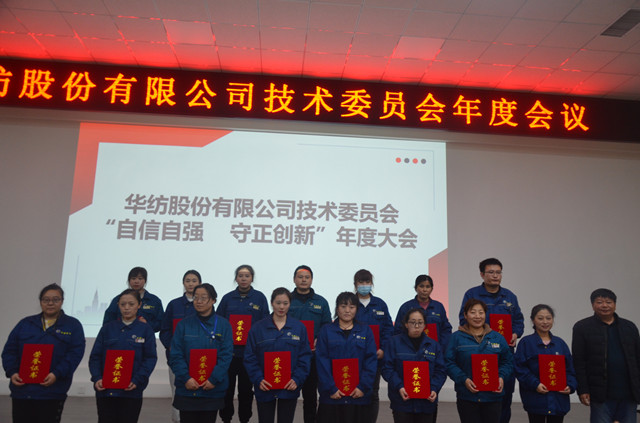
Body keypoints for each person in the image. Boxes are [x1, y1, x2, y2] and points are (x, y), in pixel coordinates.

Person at [2, 283, 85, 423]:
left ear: (62, 301)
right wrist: (12, 372)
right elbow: (9, 351)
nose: (50, 303)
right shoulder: (25, 323)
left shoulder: (73, 325)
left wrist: (56, 374)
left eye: (55, 299)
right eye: (46, 300)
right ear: (40, 301)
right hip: (22, 390)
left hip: (52, 391)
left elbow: (75, 354)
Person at [458, 258, 523, 423]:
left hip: (503, 354)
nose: (495, 276)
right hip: (478, 354)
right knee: (476, 397)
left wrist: (515, 333)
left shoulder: (510, 296)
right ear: (482, 274)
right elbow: (463, 319)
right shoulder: (472, 294)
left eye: (498, 272)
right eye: (491, 272)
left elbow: (518, 321)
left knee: (503, 396)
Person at [89, 288, 158, 423]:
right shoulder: (107, 328)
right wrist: (97, 378)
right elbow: (95, 356)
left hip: (132, 390)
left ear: (139, 305)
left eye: (131, 304)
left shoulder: (146, 330)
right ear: (118, 305)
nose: (126, 308)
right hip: (106, 390)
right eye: (123, 304)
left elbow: (150, 358)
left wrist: (137, 380)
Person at [572, 288, 640, 423]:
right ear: (593, 305)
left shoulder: (629, 327)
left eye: (608, 302)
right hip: (600, 393)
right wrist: (583, 389)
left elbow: (638, 358)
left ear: (615, 305)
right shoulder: (582, 327)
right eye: (599, 302)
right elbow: (579, 361)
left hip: (629, 392)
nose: (604, 305)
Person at [244, 287, 311, 423]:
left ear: (290, 304)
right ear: (272, 303)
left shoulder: (299, 328)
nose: (281, 307)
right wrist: (258, 379)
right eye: (278, 303)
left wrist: (297, 379)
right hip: (265, 386)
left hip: (289, 386)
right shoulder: (258, 328)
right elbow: (250, 357)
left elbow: (305, 357)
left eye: (285, 303)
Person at [169, 283, 233, 423]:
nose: (199, 301)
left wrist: (213, 379)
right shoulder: (183, 325)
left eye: (203, 298)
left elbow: (226, 355)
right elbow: (176, 355)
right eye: (196, 297)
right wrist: (186, 378)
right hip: (187, 389)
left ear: (213, 300)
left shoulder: (224, 325)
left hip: (212, 389)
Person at [216, 265, 270, 423]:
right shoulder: (227, 298)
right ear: (236, 278)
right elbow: (219, 322)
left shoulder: (259, 298)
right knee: (226, 389)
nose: (244, 278)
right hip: (229, 354)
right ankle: (226, 418)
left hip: (250, 354)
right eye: (240, 275)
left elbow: (265, 323)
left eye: (247, 275)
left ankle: (244, 419)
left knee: (246, 391)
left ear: (252, 278)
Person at [446, 298, 513, 423]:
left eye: (481, 312)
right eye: (473, 312)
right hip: (467, 396)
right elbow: (449, 363)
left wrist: (501, 377)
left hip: (493, 396)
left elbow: (508, 362)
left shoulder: (497, 337)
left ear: (485, 315)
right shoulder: (456, 338)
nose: (477, 316)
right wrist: (464, 379)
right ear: (465, 315)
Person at [315, 292, 378, 423]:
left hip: (358, 395)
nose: (347, 310)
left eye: (351, 307)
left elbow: (371, 361)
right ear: (337, 308)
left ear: (357, 309)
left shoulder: (366, 331)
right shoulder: (326, 331)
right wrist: (331, 388)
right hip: (332, 396)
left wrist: (362, 387)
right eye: (343, 306)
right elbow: (322, 362)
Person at [382, 308, 447, 423]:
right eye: (412, 322)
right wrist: (399, 386)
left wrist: (434, 388)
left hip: (426, 402)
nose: (416, 326)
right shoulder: (394, 343)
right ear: (406, 324)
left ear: (425, 325)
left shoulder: (433, 345)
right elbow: (387, 369)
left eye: (420, 323)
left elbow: (440, 371)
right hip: (402, 401)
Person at [514, 304, 577, 423]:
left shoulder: (560, 343)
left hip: (558, 399)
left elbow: (570, 369)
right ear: (533, 320)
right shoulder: (526, 343)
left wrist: (570, 385)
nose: (545, 322)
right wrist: (535, 384)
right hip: (536, 398)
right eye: (540, 318)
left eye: (548, 318)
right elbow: (520, 368)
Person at [288, 265, 332, 423]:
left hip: (312, 356)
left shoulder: (321, 302)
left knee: (310, 396)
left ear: (312, 280)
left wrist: (319, 338)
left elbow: (327, 326)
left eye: (307, 277)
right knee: (288, 395)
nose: (303, 280)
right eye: (300, 277)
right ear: (294, 279)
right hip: (290, 356)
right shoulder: (287, 300)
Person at [160, 269, 203, 423]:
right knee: (177, 390)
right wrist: (171, 346)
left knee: (199, 389)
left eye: (194, 281)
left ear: (200, 283)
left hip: (198, 357)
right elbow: (165, 330)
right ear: (183, 283)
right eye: (187, 281)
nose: (191, 284)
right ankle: (177, 420)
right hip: (177, 357)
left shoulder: (204, 304)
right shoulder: (174, 304)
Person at [352, 269, 393, 423]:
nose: (364, 285)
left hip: (375, 357)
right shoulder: (350, 303)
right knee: (353, 390)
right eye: (361, 282)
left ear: (372, 284)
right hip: (353, 357)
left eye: (367, 282)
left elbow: (388, 329)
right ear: (355, 284)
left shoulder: (380, 304)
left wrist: (383, 349)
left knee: (372, 392)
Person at [394, 274, 452, 352]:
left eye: (428, 287)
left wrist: (440, 348)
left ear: (432, 289)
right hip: (410, 350)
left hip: (434, 351)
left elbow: (446, 330)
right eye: (421, 286)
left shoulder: (438, 306)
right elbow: (398, 330)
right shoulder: (406, 307)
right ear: (416, 288)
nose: (424, 290)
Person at [103, 266, 164, 332]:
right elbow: (107, 322)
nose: (136, 281)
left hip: (145, 336)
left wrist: (147, 324)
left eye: (140, 279)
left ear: (145, 281)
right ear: (129, 280)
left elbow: (161, 324)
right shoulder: (118, 299)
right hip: (121, 335)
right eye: (133, 278)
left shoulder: (154, 300)